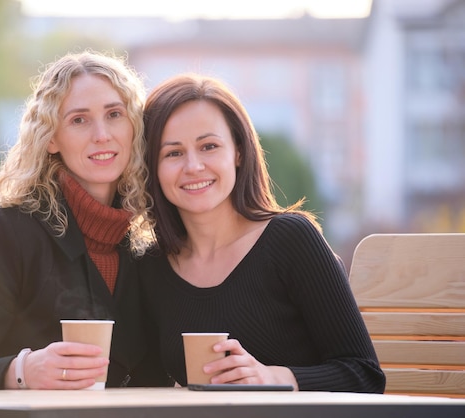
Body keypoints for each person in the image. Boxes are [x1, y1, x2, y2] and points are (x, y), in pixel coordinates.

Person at [0, 50, 170, 391]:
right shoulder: (0, 233)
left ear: (134, 128)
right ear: (51, 138)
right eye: (79, 120)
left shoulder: (145, 243)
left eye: (114, 114)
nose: (102, 134)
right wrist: (21, 371)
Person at [139, 73, 386, 393]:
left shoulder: (292, 240)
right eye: (173, 153)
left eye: (209, 146)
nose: (194, 166)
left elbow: (365, 374)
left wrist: (274, 378)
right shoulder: (150, 266)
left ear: (238, 152)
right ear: (152, 167)